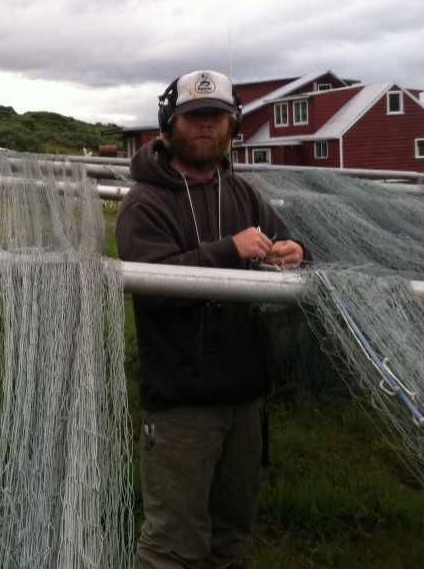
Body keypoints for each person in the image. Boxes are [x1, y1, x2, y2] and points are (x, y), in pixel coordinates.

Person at [116, 69, 307, 568]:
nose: (206, 127)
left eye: (216, 117)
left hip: (245, 398)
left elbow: (281, 241)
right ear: (168, 125)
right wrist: (229, 250)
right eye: (194, 116)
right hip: (182, 403)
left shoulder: (243, 194)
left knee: (231, 538)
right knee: (174, 546)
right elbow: (153, 285)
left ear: (232, 127)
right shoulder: (145, 202)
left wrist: (291, 251)